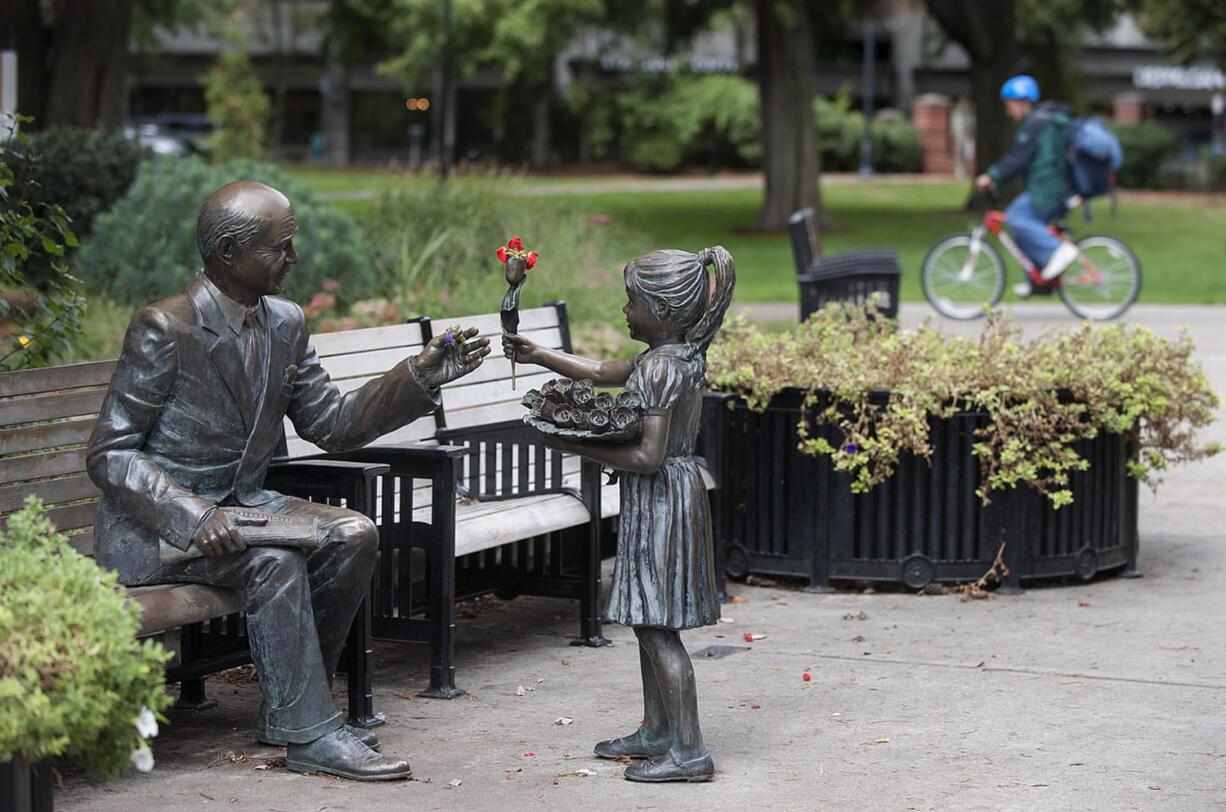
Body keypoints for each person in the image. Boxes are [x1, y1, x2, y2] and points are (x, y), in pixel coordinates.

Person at [87, 180, 490, 781]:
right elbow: (109, 452)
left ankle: (295, 709)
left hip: (246, 510)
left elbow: (332, 423)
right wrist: (192, 512)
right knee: (273, 562)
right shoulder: (164, 328)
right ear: (228, 252)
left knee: (354, 533)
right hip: (159, 530)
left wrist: (418, 377)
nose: (293, 260)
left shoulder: (285, 322)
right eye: (281, 247)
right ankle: (309, 734)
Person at [503, 247, 735, 783]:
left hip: (662, 501)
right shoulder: (677, 354)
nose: (625, 310)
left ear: (661, 309)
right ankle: (658, 730)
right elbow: (603, 370)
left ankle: (689, 751)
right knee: (646, 624)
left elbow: (648, 456)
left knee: (658, 630)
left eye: (632, 302)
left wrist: (571, 444)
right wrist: (540, 354)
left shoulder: (658, 368)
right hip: (664, 498)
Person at [974, 74, 1080, 297]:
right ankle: (1038, 282)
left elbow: (1018, 158)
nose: (1007, 110)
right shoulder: (1043, 121)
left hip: (1050, 189)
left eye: (1009, 104)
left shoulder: (1036, 124)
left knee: (1016, 217)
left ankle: (1058, 250)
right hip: (1053, 187)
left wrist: (992, 176)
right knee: (1023, 230)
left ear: (1023, 102)